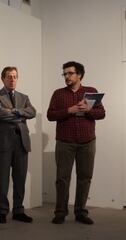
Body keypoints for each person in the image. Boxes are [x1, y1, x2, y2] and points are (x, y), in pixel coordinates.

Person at [47, 61, 105, 225]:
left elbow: (101, 113)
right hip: (65, 142)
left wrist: (88, 110)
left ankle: (80, 212)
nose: (66, 76)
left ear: (79, 74)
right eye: (64, 74)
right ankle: (60, 212)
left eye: (70, 73)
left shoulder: (91, 92)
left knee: (85, 177)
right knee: (62, 178)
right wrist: (69, 111)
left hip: (87, 141)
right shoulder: (58, 94)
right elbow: (50, 115)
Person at [0, 67, 36, 224]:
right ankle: (2, 211)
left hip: (21, 142)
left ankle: (18, 210)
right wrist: (21, 115)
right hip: (4, 142)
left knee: (20, 179)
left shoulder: (24, 97)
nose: (12, 79)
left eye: (15, 77)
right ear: (2, 78)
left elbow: (32, 112)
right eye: (9, 77)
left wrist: (15, 111)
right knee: (2, 179)